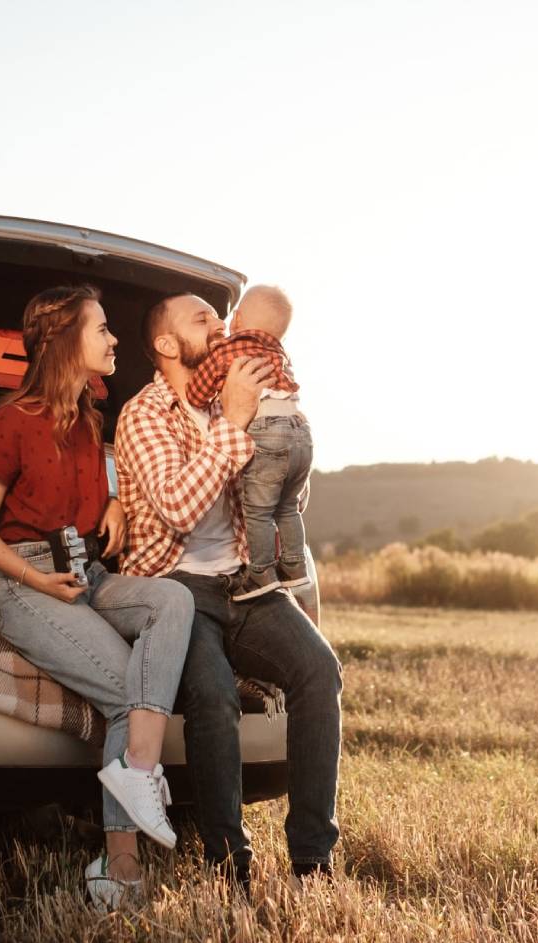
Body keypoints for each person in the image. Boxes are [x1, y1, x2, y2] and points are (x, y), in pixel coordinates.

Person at [0, 284, 194, 910]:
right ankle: (121, 870)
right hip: (26, 582)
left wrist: (113, 499)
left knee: (174, 602)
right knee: (124, 693)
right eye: (103, 329)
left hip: (86, 573)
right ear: (65, 341)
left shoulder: (90, 420)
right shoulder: (10, 424)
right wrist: (34, 581)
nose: (115, 340)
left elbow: (95, 490)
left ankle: (136, 773)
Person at [114, 291, 342, 891]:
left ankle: (313, 861)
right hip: (174, 589)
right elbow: (176, 509)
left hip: (245, 582)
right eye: (203, 319)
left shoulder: (231, 396)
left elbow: (277, 488)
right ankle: (227, 865)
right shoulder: (144, 415)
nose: (221, 325)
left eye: (222, 316)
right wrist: (237, 423)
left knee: (320, 670)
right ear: (166, 345)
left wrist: (280, 434)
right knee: (213, 697)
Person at [183, 285, 312, 602]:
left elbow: (197, 394)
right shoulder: (279, 353)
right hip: (301, 432)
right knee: (288, 508)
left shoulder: (230, 349)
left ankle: (260, 573)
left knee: (258, 512)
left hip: (268, 429)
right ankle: (295, 568)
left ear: (237, 319)